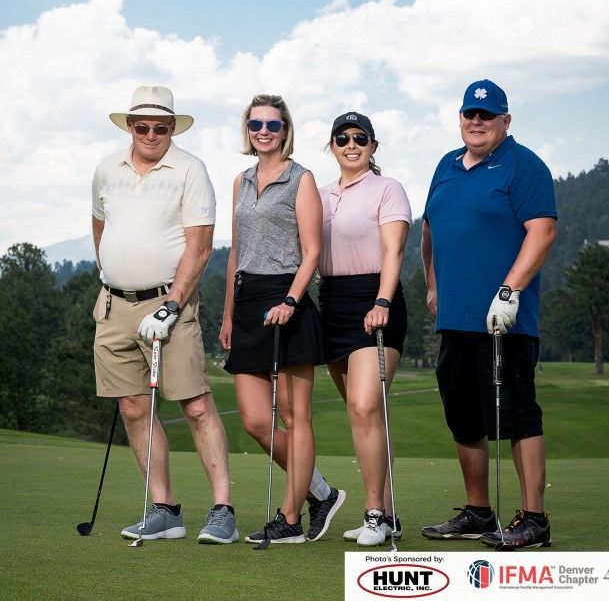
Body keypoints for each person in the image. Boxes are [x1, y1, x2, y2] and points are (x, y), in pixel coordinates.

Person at [92, 85, 239, 544]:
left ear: (172, 128)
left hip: (168, 305)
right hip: (114, 305)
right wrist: (115, 273)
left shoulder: (190, 169)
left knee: (195, 404)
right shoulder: (106, 169)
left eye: (160, 127)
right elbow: (100, 226)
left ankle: (222, 510)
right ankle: (164, 509)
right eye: (142, 126)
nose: (151, 134)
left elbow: (199, 248)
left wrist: (172, 304)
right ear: (130, 127)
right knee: (133, 407)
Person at [420, 80, 557, 550]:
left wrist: (509, 290)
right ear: (460, 118)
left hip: (505, 319)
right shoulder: (446, 165)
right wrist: (434, 283)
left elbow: (542, 232)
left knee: (517, 414)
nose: (476, 122)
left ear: (505, 121)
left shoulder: (524, 165)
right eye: (469, 114)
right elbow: (431, 229)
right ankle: (479, 511)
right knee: (463, 416)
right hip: (454, 320)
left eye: (487, 115)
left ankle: (533, 519)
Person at [220, 94, 346, 545]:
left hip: (286, 299)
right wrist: (229, 311)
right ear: (248, 129)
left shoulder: (302, 178)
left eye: (272, 125)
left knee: (296, 418)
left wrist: (292, 301)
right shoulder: (241, 180)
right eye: (256, 124)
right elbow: (236, 251)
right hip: (249, 299)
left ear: (284, 129)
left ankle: (290, 517)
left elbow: (311, 251)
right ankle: (322, 492)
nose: (264, 132)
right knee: (255, 420)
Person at [317, 112, 411, 547]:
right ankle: (388, 514)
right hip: (331, 303)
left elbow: (394, 250)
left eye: (361, 138)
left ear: (373, 145)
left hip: (375, 301)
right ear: (332, 145)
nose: (351, 144)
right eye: (343, 138)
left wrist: (382, 300)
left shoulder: (388, 189)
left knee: (364, 406)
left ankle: (374, 514)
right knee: (364, 417)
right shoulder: (317, 195)